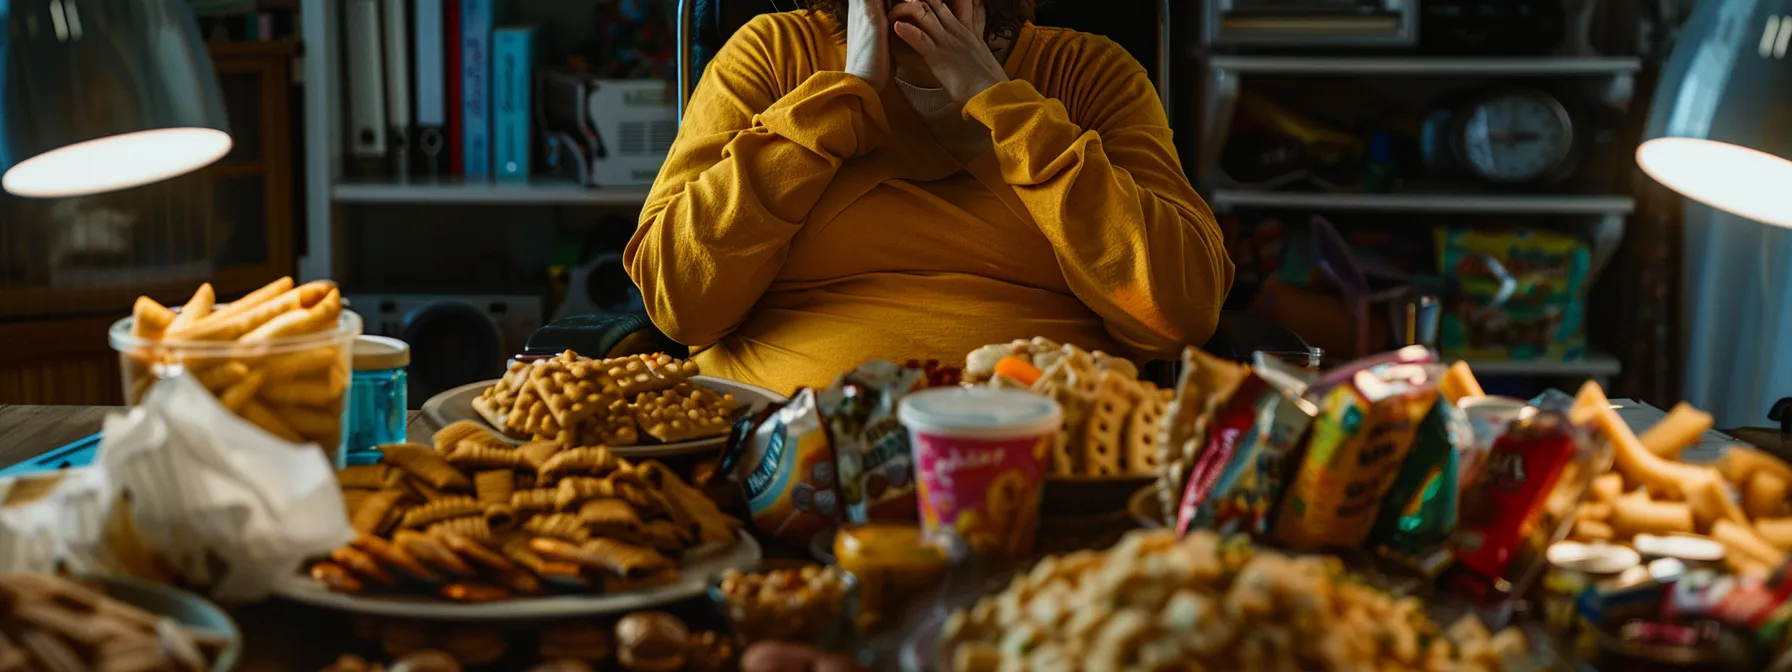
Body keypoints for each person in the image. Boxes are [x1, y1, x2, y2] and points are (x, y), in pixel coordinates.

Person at [626, 0, 1233, 394]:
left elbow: (1177, 313)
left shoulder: (1091, 74)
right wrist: (844, 97)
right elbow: (682, 299)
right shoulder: (773, 53)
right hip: (784, 452)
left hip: (1045, 450)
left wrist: (1002, 104)